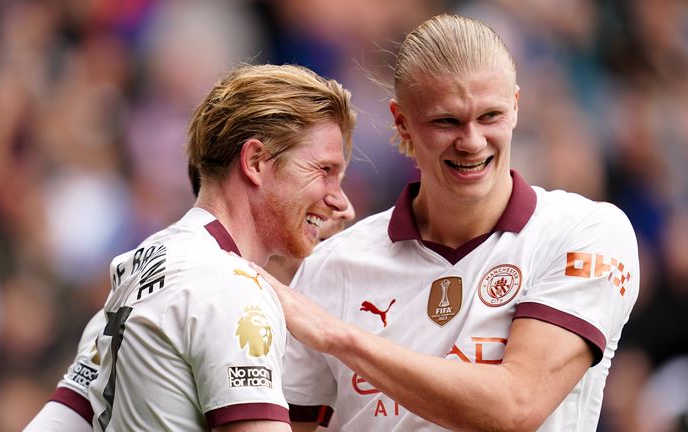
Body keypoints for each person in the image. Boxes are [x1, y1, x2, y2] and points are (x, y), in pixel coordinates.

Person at [253, 14, 640, 431]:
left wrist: (341, 338)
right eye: (447, 121)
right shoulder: (331, 268)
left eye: (489, 116)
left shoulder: (586, 232)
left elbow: (517, 405)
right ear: (402, 121)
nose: (472, 142)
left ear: (515, 107)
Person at [24, 63, 356, 431]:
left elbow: (58, 423)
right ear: (256, 162)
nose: (343, 203)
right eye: (324, 170)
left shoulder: (139, 263)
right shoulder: (234, 288)